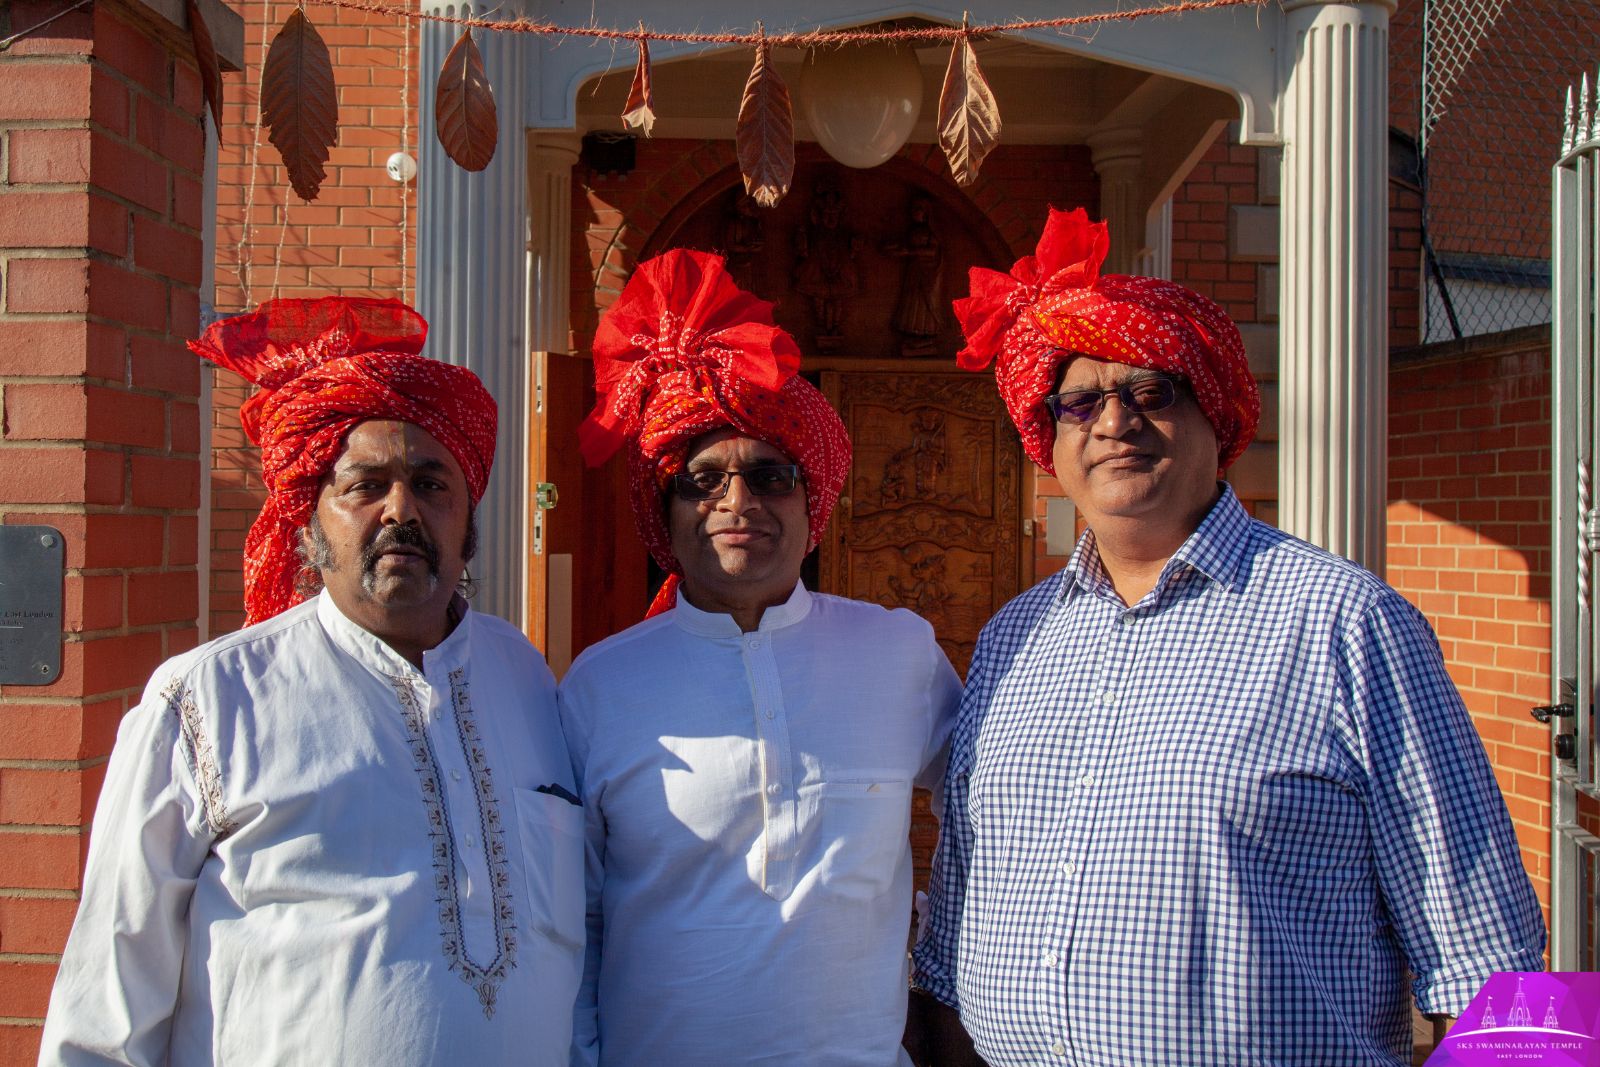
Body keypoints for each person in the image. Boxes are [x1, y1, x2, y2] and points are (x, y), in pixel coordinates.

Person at [909, 209, 1545, 1066]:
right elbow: (953, 929)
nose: (1114, 423)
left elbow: (1496, 965)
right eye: (1079, 401)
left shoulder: (1349, 624)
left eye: (1150, 390)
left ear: (1218, 416)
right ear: (1047, 440)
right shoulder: (1013, 641)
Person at [39, 298, 583, 1066]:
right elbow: (105, 1013)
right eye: (365, 485)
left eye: (432, 485)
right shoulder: (206, 700)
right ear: (309, 519)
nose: (402, 510)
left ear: (469, 521)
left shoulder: (528, 681)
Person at [560, 250, 961, 1066]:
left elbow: (998, 811)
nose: (736, 503)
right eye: (700, 480)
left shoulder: (897, 650)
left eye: (770, 475)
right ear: (663, 514)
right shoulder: (600, 683)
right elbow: (573, 915)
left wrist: (944, 966)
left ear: (811, 501)